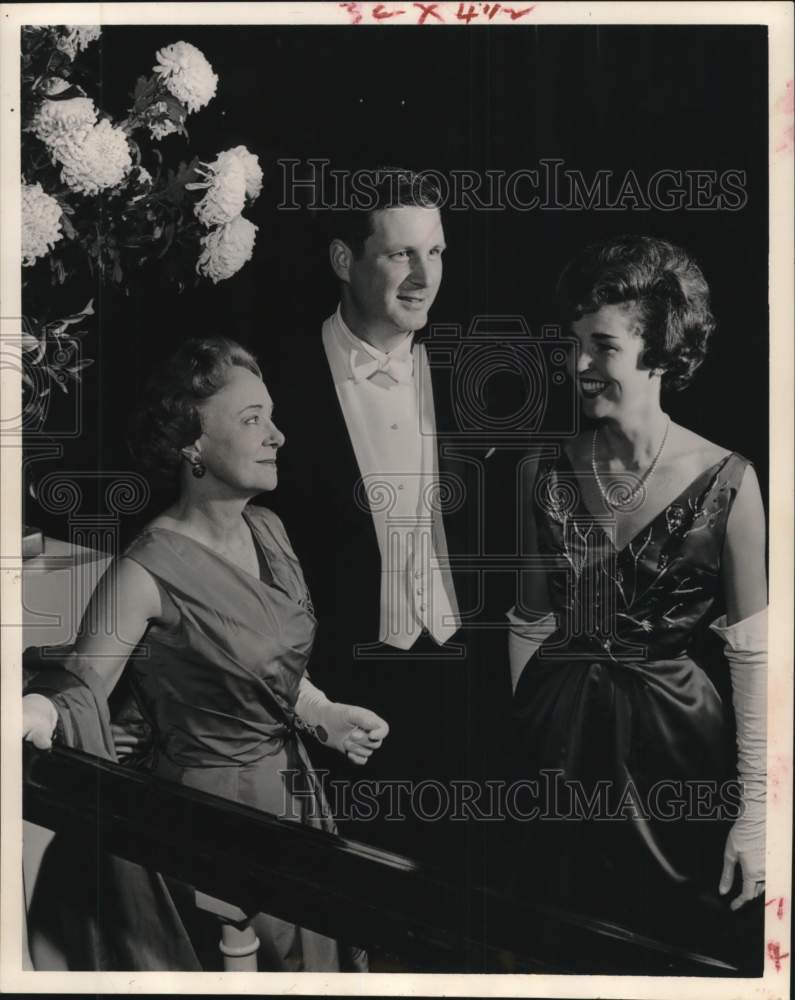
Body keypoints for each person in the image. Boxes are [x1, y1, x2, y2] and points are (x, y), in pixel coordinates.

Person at [22, 337, 388, 971]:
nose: (277, 436)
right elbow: (80, 691)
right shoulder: (146, 570)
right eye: (252, 420)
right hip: (208, 823)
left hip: (294, 798)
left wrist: (321, 712)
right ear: (191, 443)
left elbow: (260, 661)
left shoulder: (268, 529)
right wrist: (35, 712)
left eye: (271, 416)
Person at [505, 235, 767, 969]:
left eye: (601, 346)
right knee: (550, 943)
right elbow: (529, 623)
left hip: (678, 754)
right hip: (559, 752)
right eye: (571, 345)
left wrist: (756, 814)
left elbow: (754, 657)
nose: (577, 365)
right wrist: (533, 736)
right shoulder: (540, 472)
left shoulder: (730, 482)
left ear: (659, 350)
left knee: (671, 950)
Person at [266, 168, 496, 862]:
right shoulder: (275, 387)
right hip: (342, 699)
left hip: (469, 690)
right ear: (345, 260)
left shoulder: (479, 374)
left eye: (436, 253)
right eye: (401, 254)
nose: (424, 275)